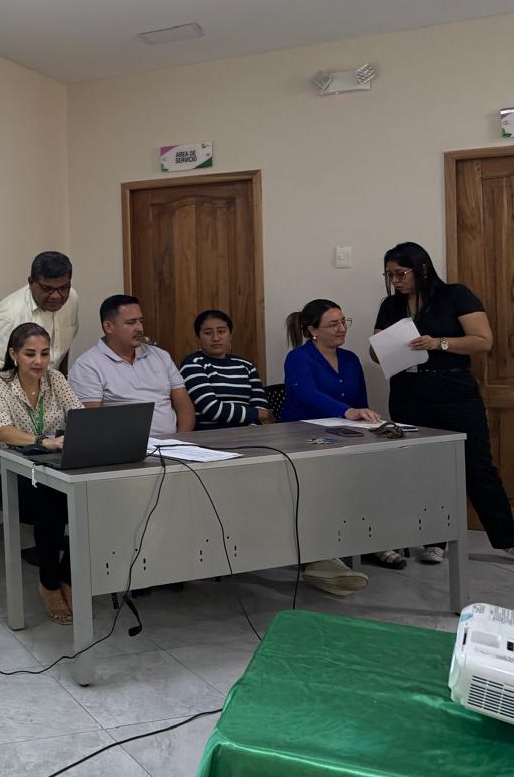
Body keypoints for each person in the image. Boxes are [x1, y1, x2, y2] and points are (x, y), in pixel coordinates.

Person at [372, 241, 514, 563]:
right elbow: (375, 349)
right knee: (424, 467)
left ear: (422, 269)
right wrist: (382, 347)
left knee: (477, 464)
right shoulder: (391, 305)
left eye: (400, 273)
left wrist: (439, 343)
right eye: (389, 275)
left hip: (453, 391)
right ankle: (434, 539)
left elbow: (483, 340)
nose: (395, 281)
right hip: (408, 392)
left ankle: (506, 537)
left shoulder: (455, 295)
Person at [0, 323, 84, 625]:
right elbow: (3, 431)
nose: (39, 361)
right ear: (14, 355)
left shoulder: (56, 379)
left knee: (87, 500)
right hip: (8, 472)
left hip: (50, 467)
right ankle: (49, 584)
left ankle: (67, 576)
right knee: (51, 506)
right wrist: (44, 441)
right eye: (30, 354)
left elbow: (79, 414)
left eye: (44, 353)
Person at [278, 299, 378, 595]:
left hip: (346, 436)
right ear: (313, 330)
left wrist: (367, 420)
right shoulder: (299, 358)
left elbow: (360, 400)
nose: (341, 328)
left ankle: (369, 543)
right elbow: (307, 394)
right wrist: (347, 412)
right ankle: (321, 558)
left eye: (343, 322)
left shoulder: (350, 359)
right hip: (303, 436)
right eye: (333, 324)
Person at [68, 295, 195, 436]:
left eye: (141, 321)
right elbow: (90, 422)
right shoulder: (87, 365)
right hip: (122, 446)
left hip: (173, 443)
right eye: (131, 322)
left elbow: (184, 406)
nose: (139, 328)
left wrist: (180, 441)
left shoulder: (160, 356)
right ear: (108, 327)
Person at [0, 251, 79, 390]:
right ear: (31, 282)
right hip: (16, 393)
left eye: (63, 288)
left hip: (50, 390)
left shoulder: (72, 298)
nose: (56, 296)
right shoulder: (12, 313)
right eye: (47, 288)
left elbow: (63, 346)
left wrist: (61, 385)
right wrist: (0, 400)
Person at [180, 310, 273, 429]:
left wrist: (251, 429)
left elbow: (261, 406)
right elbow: (212, 409)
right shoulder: (192, 363)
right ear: (198, 338)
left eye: (221, 331)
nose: (216, 338)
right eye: (208, 333)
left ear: (231, 334)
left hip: (249, 433)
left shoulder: (246, 365)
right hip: (210, 434)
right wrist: (257, 414)